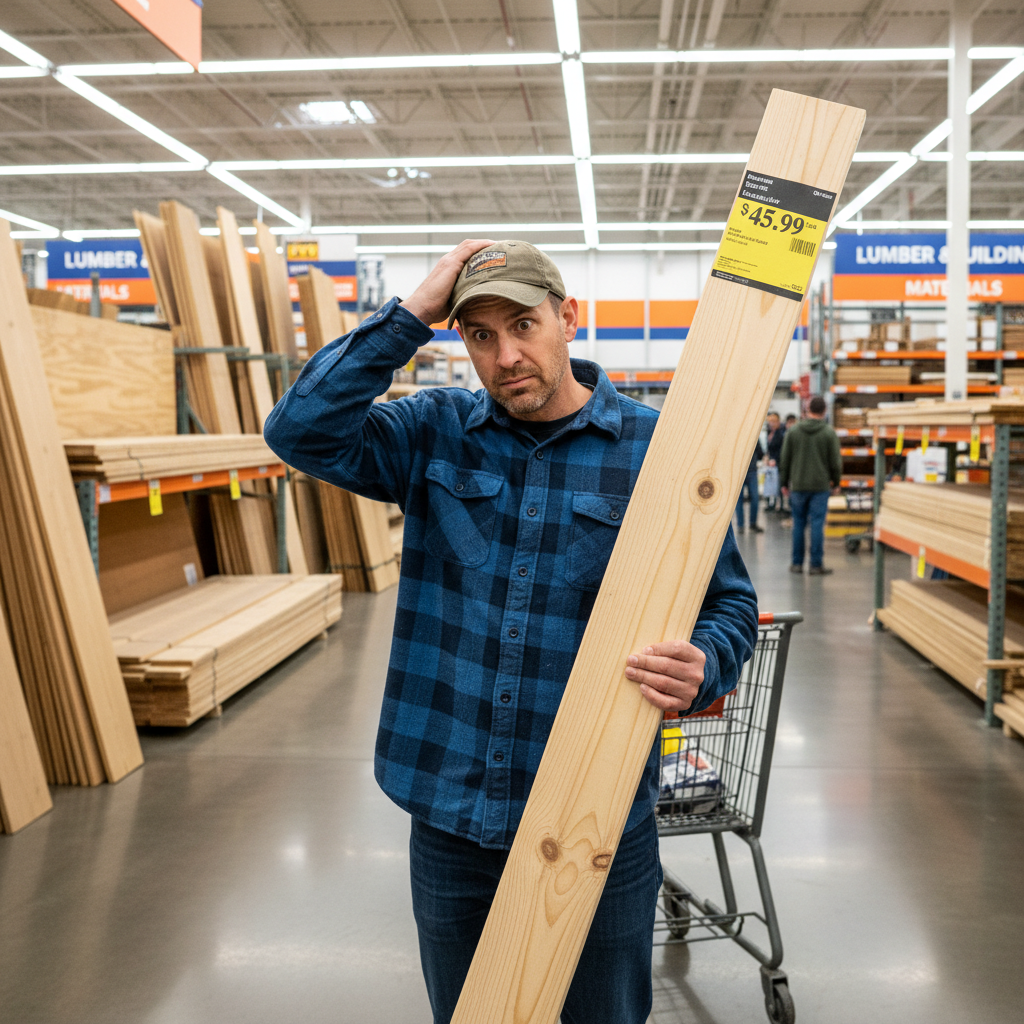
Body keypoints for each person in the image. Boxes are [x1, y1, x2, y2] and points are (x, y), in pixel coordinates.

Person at [264, 239, 758, 1024]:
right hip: (452, 812)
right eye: (480, 335)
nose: (506, 356)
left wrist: (705, 661)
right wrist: (409, 317)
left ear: (569, 318)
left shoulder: (656, 453)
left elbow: (729, 605)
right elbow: (298, 432)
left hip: (598, 816)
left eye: (524, 325)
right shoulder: (432, 432)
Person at [779, 395, 841, 575]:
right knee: (816, 524)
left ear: (807, 410)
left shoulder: (793, 431)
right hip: (820, 487)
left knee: (798, 524)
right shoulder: (829, 433)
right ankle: (815, 565)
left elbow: (785, 459)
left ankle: (797, 563)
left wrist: (784, 483)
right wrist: (836, 482)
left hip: (797, 485)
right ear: (824, 411)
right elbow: (835, 462)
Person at [735, 438, 765, 533]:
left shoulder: (736, 435)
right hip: (750, 471)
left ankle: (741, 525)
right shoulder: (754, 435)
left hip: (740, 471)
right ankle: (751, 524)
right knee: (754, 498)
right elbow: (760, 454)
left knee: (739, 500)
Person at [763, 411, 785, 512]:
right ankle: (770, 504)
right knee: (770, 483)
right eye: (770, 421)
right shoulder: (769, 432)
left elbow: (782, 449)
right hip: (770, 462)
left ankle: (780, 505)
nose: (772, 423)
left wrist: (775, 459)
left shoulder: (780, 433)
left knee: (778, 484)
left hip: (778, 462)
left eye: (774, 421)